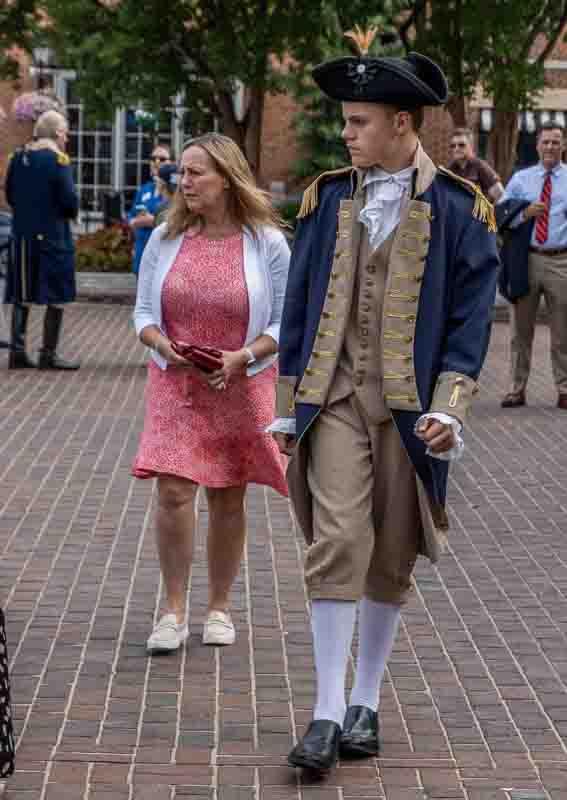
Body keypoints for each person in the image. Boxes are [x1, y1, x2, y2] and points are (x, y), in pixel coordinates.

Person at [270, 28, 500, 774]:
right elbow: (299, 304)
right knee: (337, 540)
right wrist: (284, 403)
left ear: (401, 124)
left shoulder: (463, 211)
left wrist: (450, 406)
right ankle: (325, 713)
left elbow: (469, 322)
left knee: (390, 552)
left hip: (406, 408)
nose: (346, 133)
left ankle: (366, 699)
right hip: (332, 397)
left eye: (357, 121)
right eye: (344, 121)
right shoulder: (326, 197)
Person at [132, 133, 290, 654]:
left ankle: (218, 607)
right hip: (176, 382)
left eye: (196, 171)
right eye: (183, 171)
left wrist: (242, 357)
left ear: (226, 177)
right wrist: (163, 345)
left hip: (240, 383)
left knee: (228, 494)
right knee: (173, 491)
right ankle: (172, 610)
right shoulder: (165, 238)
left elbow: (284, 322)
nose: (186, 181)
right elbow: (143, 315)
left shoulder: (265, 241)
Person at [498, 122, 567, 410]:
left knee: (563, 331)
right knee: (520, 331)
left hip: (561, 260)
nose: (550, 147)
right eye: (545, 142)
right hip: (526, 259)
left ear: (563, 145)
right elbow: (498, 214)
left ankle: (564, 388)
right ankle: (516, 389)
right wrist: (523, 213)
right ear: (537, 145)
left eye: (555, 142)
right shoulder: (521, 179)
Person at [4, 109, 80, 370]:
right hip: (53, 237)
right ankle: (48, 353)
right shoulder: (58, 161)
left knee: (22, 294)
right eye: (66, 132)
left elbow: (11, 195)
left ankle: (17, 351)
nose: (67, 138)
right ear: (58, 133)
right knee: (57, 295)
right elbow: (70, 202)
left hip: (23, 235)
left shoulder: (18, 157)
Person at [127, 142, 173, 276]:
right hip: (142, 254)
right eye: (153, 159)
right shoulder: (144, 189)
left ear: (172, 162)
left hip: (162, 258)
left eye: (162, 159)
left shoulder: (176, 192)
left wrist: (152, 221)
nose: (157, 162)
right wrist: (134, 222)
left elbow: (178, 220)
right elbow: (131, 215)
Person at [448, 127, 504, 202]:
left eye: (461, 145)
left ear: (471, 146)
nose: (456, 149)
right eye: (453, 146)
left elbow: (500, 195)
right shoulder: (450, 170)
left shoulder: (480, 166)